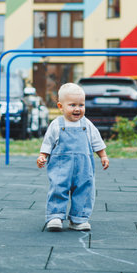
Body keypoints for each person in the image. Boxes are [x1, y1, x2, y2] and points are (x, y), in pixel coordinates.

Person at [37, 82, 109, 232]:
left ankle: (79, 218)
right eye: (72, 105)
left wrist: (103, 156)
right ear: (60, 106)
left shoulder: (87, 124)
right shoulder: (56, 125)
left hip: (83, 167)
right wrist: (43, 156)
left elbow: (97, 141)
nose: (77, 109)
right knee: (58, 188)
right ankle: (55, 216)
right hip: (60, 166)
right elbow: (48, 142)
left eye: (81, 105)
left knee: (84, 190)